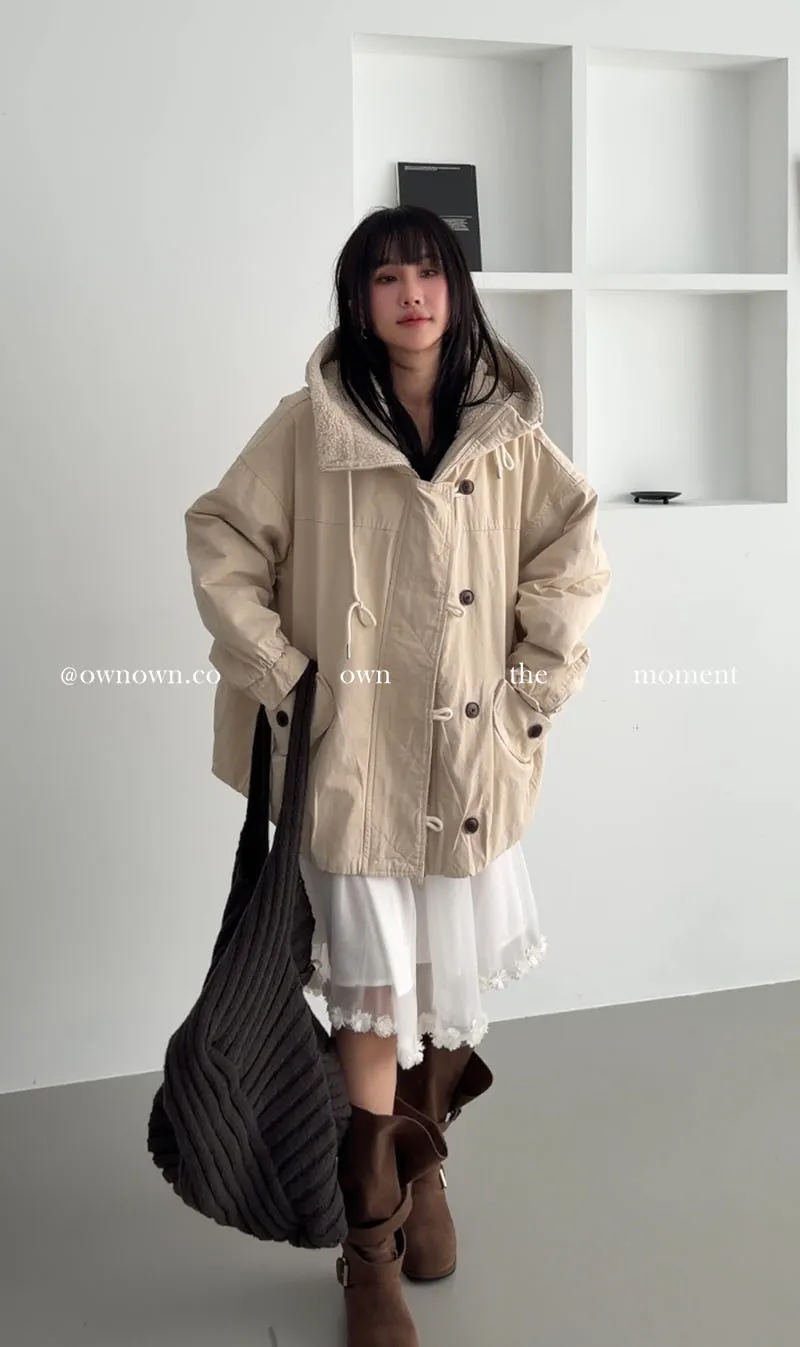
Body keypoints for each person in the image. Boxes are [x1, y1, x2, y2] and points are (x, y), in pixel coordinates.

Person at [184, 204, 611, 1346]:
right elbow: (221, 536)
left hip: (467, 754)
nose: (411, 294)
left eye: (429, 272)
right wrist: (283, 673)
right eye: (386, 277)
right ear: (358, 300)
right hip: (356, 760)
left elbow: (572, 548)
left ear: (455, 290)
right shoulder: (308, 426)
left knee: (450, 987)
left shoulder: (507, 430)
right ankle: (368, 1243)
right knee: (373, 999)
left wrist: (532, 688)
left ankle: (426, 1173)